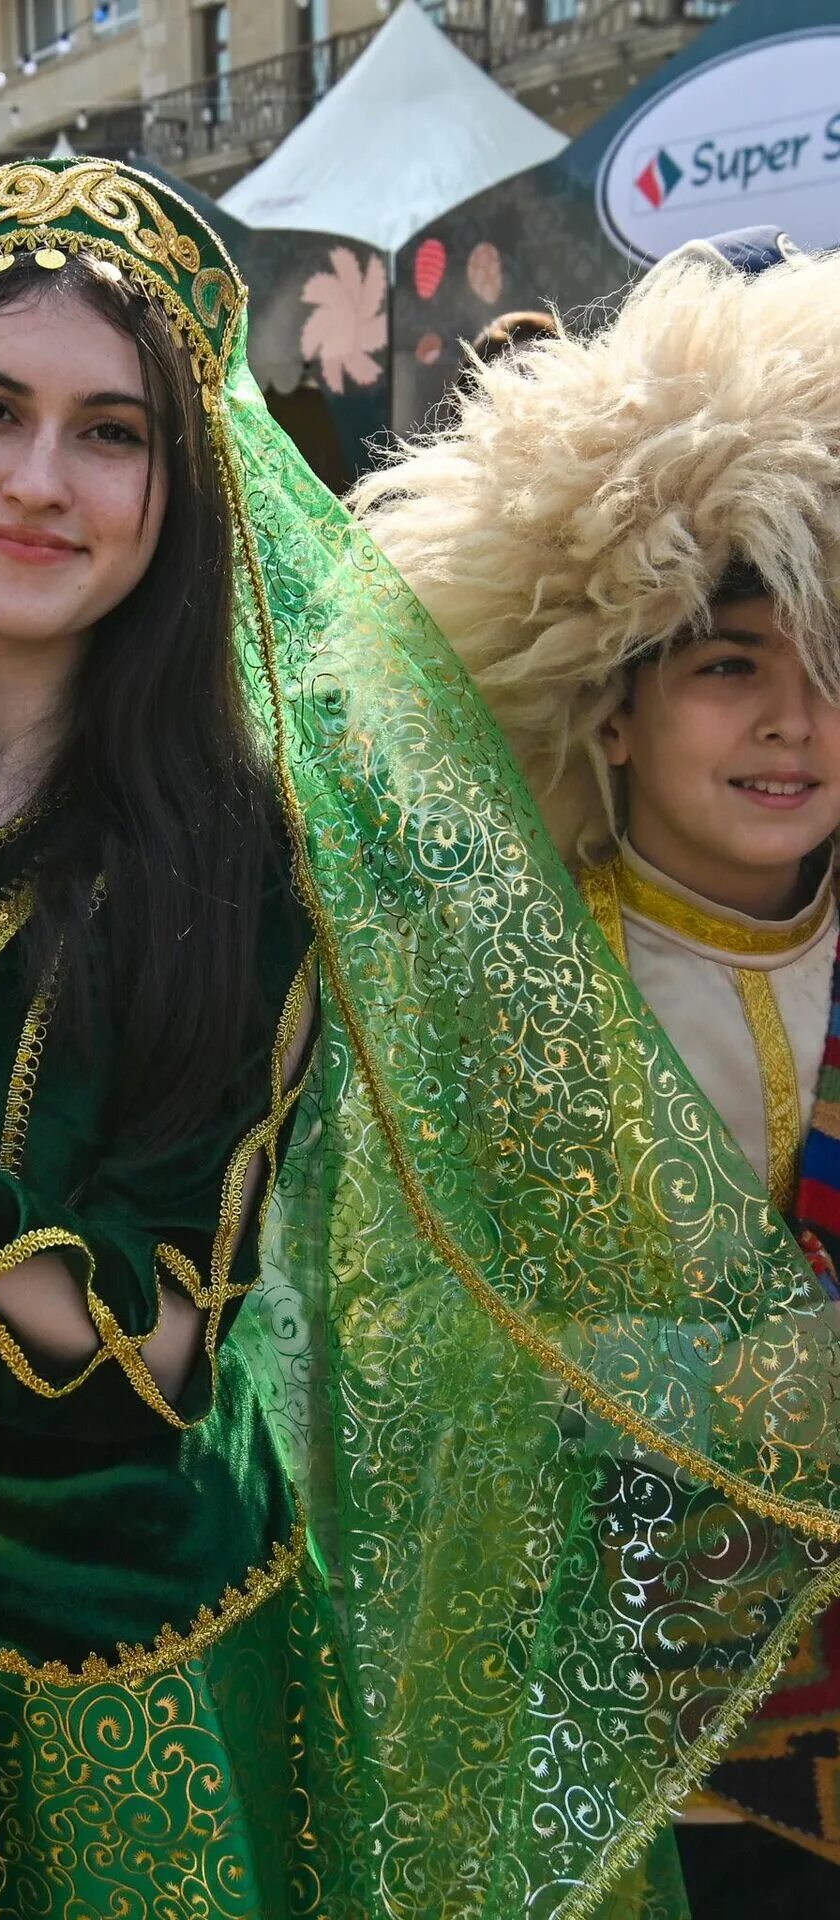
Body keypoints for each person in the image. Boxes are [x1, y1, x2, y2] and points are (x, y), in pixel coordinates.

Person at [0, 159, 840, 1919]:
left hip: (104, 1669)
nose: (43, 479)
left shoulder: (231, 853)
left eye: (113, 432)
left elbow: (165, 1356)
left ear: (178, 489)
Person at [353, 234, 840, 1910]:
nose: (796, 721)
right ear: (612, 705)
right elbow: (404, 1351)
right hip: (631, 1734)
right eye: (730, 663)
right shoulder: (499, 986)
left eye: (832, 667)